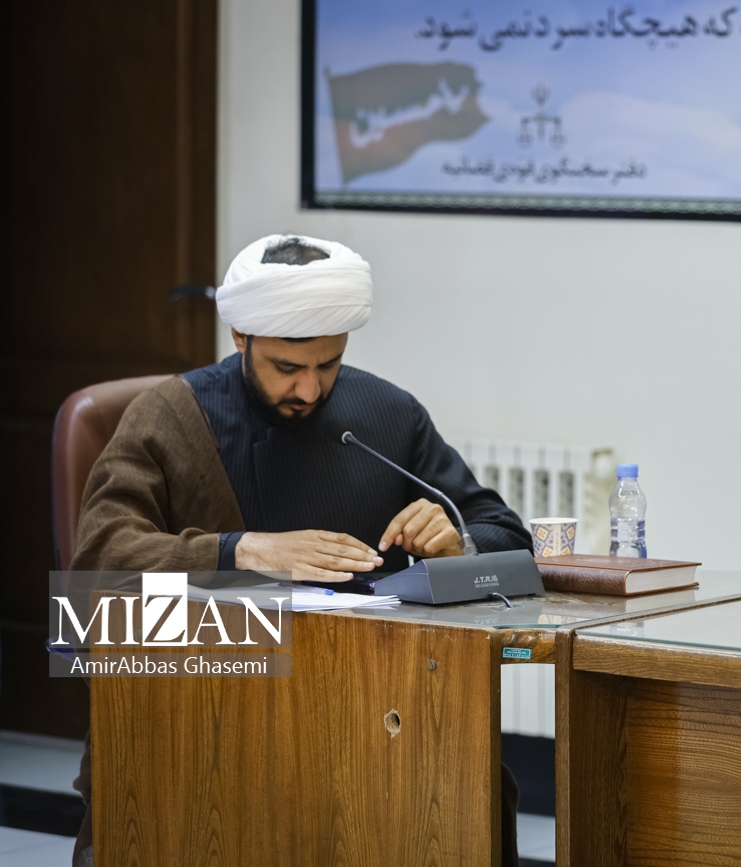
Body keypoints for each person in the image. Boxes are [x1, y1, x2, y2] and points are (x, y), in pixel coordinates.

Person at [69, 234, 530, 867]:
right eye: (287, 368)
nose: (311, 390)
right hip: (208, 713)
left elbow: (505, 534)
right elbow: (97, 561)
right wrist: (241, 551)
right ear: (241, 337)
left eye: (329, 365)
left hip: (372, 709)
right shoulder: (171, 418)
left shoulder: (387, 413)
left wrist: (457, 541)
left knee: (465, 784)